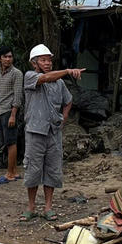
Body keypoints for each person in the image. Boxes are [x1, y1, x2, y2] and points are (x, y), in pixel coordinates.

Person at [22, 44, 83, 220]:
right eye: (43, 60)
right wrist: (68, 70)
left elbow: (68, 101)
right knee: (33, 170)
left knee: (52, 170)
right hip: (35, 131)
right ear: (35, 63)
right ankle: (31, 207)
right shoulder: (30, 76)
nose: (47, 63)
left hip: (53, 132)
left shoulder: (60, 83)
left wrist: (63, 119)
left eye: (49, 60)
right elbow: (46, 78)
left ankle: (48, 207)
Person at [0, 46, 24, 184]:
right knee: (6, 142)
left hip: (10, 111)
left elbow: (18, 96)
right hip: (0, 111)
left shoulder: (17, 73)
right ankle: (13, 171)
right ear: (0, 58)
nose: (8, 59)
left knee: (11, 143)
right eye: (5, 57)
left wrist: (13, 115)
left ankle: (10, 173)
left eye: (10, 56)